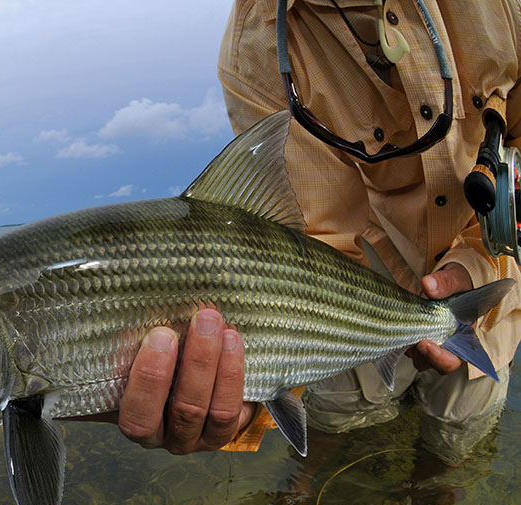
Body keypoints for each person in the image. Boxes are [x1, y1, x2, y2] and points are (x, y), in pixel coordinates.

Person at [116, 0, 521, 461]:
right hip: (358, 269)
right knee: (334, 428)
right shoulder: (257, 47)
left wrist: (477, 262)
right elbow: (305, 237)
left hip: (492, 247)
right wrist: (258, 390)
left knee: (453, 441)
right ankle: (310, 495)